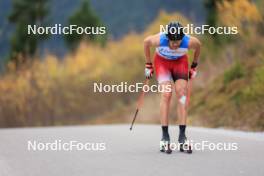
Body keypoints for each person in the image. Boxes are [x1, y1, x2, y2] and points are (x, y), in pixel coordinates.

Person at [143, 22, 201, 154]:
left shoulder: (189, 42)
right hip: (162, 63)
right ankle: (165, 137)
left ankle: (182, 137)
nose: (175, 44)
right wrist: (148, 64)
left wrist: (194, 65)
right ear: (167, 37)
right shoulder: (160, 39)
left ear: (182, 38)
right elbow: (146, 42)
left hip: (180, 62)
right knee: (166, 94)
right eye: (172, 41)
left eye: (178, 41)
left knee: (182, 94)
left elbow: (198, 47)